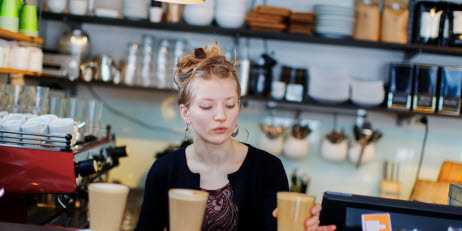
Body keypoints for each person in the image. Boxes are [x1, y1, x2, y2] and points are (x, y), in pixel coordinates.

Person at [135, 42, 336, 231]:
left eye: (229, 105)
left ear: (238, 106)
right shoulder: (164, 171)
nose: (221, 116)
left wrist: (306, 225)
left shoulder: (267, 169)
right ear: (185, 113)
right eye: (207, 106)